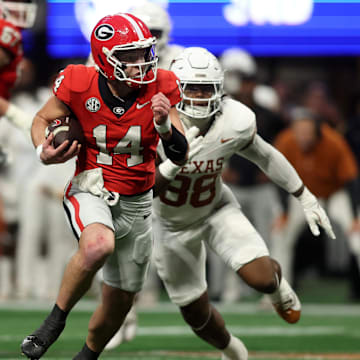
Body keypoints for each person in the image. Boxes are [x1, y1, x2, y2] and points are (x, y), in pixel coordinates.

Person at [21, 13, 188, 359]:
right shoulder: (78, 82)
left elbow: (180, 153)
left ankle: (86, 357)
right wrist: (43, 149)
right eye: (129, 56)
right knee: (98, 244)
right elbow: (42, 119)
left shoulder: (163, 85)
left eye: (144, 53)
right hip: (91, 185)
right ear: (105, 58)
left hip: (138, 201)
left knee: (119, 304)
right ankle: (54, 322)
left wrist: (164, 126)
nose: (141, 62)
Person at [153, 47, 335, 360]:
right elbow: (142, 189)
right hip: (170, 225)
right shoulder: (149, 123)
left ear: (220, 90)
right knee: (195, 314)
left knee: (261, 279)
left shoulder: (233, 120)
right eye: (191, 87)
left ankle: (278, 288)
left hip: (215, 208)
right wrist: (168, 167)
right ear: (174, 87)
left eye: (206, 88)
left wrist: (303, 195)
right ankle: (233, 350)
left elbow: (265, 155)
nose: (198, 96)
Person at [272, 107, 360, 292]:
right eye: (299, 132)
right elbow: (278, 179)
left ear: (317, 131)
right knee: (280, 234)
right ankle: (279, 292)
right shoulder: (286, 141)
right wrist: (283, 213)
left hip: (334, 194)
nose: (302, 137)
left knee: (357, 236)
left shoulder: (333, 141)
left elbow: (351, 180)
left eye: (307, 132)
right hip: (301, 195)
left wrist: (355, 217)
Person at [130, 1, 184, 70]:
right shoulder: (122, 58)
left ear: (166, 33)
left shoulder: (180, 58)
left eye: (154, 34)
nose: (149, 41)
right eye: (142, 35)